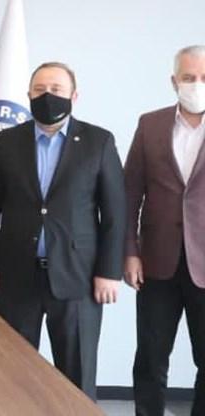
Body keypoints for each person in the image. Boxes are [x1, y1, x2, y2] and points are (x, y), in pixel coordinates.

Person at [0, 62, 125, 400]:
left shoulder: (98, 141)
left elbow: (115, 213)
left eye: (56, 89)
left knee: (76, 377)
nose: (48, 96)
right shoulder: (8, 141)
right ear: (28, 94)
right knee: (11, 373)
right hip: (17, 276)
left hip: (78, 278)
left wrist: (109, 272)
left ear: (74, 95)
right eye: (40, 89)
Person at [125, 45, 205, 415]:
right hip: (156, 263)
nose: (196, 84)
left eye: (203, 77)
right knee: (150, 359)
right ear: (174, 81)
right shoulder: (150, 125)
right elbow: (129, 194)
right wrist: (130, 252)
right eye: (189, 77)